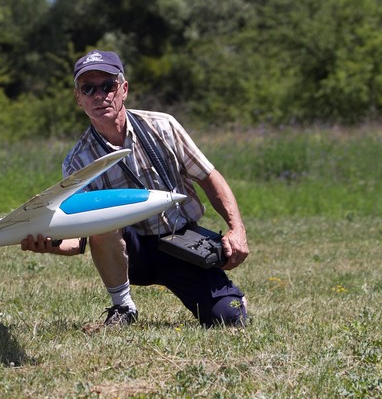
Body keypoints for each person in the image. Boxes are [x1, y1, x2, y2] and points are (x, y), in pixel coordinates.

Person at [21, 50, 249, 328]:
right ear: (78, 98)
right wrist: (48, 243)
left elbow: (208, 177)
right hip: (131, 251)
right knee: (100, 216)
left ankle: (226, 298)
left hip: (180, 243)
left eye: (108, 86)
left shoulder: (163, 126)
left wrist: (236, 228)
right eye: (88, 88)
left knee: (229, 318)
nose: (99, 95)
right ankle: (123, 308)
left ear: (124, 89)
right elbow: (79, 238)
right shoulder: (77, 161)